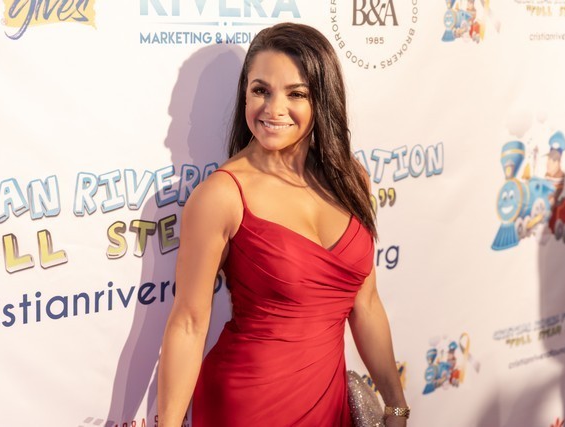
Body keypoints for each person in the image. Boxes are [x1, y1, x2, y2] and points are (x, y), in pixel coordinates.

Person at [157, 22, 408, 427]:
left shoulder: (350, 179)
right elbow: (188, 322)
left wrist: (395, 403)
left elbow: (366, 303)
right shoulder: (221, 195)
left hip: (328, 405)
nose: (273, 109)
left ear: (322, 99)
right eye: (261, 90)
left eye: (296, 94)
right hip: (247, 405)